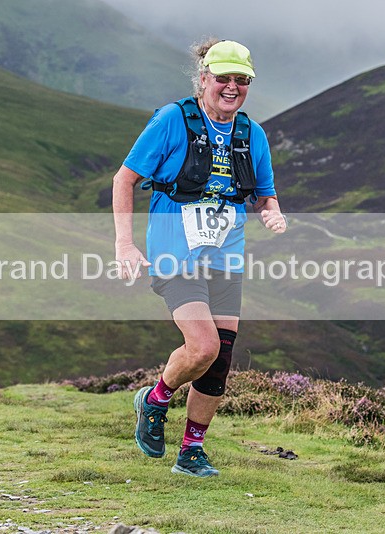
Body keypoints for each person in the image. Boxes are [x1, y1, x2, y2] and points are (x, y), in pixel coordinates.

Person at [112, 38, 286, 478]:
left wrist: (272, 213)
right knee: (203, 346)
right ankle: (155, 399)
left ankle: (191, 452)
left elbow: (265, 195)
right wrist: (125, 244)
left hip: (226, 254)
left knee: (220, 358)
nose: (232, 87)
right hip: (175, 252)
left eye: (241, 80)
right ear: (203, 79)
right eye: (223, 78)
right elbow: (124, 179)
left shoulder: (252, 133)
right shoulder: (173, 120)